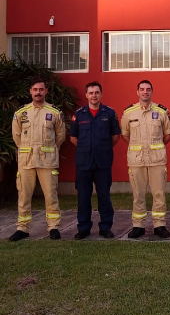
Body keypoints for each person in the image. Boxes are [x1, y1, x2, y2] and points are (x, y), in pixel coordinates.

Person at [9, 77, 66, 241]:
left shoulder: (55, 112)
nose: (38, 92)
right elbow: (17, 136)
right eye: (35, 89)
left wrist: (48, 150)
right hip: (26, 161)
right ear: (30, 92)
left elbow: (60, 137)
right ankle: (22, 228)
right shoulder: (21, 113)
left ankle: (53, 227)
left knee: (51, 195)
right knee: (24, 195)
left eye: (41, 89)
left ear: (46, 91)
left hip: (47, 161)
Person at [121, 80, 170, 239]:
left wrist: (157, 146)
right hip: (137, 159)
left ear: (152, 92)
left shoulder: (162, 112)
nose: (145, 92)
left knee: (159, 193)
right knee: (138, 194)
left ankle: (159, 225)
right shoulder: (129, 113)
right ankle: (138, 226)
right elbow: (125, 135)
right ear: (137, 92)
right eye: (142, 89)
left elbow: (169, 133)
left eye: (148, 89)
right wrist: (138, 147)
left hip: (157, 159)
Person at [70, 81, 121, 239]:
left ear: (101, 94)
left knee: (104, 196)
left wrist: (102, 148)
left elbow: (116, 136)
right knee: (83, 197)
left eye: (97, 92)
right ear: (86, 95)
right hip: (84, 163)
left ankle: (105, 227)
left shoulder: (109, 113)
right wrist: (87, 149)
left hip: (103, 162)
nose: (94, 95)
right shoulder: (79, 114)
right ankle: (83, 228)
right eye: (91, 93)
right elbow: (73, 138)